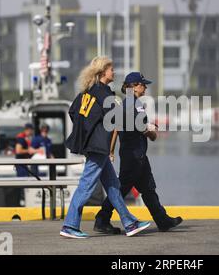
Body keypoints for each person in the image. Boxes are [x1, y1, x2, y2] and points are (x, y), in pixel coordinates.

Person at [61, 56, 150, 239]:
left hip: (94, 145)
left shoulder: (87, 92)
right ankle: (70, 225)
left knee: (113, 185)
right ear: (103, 73)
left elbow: (73, 112)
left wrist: (88, 130)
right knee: (86, 186)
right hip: (98, 147)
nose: (114, 72)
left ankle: (130, 223)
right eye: (111, 69)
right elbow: (119, 117)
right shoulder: (105, 94)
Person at [94, 72, 183, 234]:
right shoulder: (135, 104)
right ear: (134, 86)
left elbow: (116, 129)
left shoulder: (124, 104)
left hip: (132, 154)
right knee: (121, 189)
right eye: (143, 84)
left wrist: (112, 151)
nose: (145, 87)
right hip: (134, 156)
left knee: (148, 189)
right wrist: (153, 132)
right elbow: (142, 128)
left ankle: (162, 220)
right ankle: (102, 219)